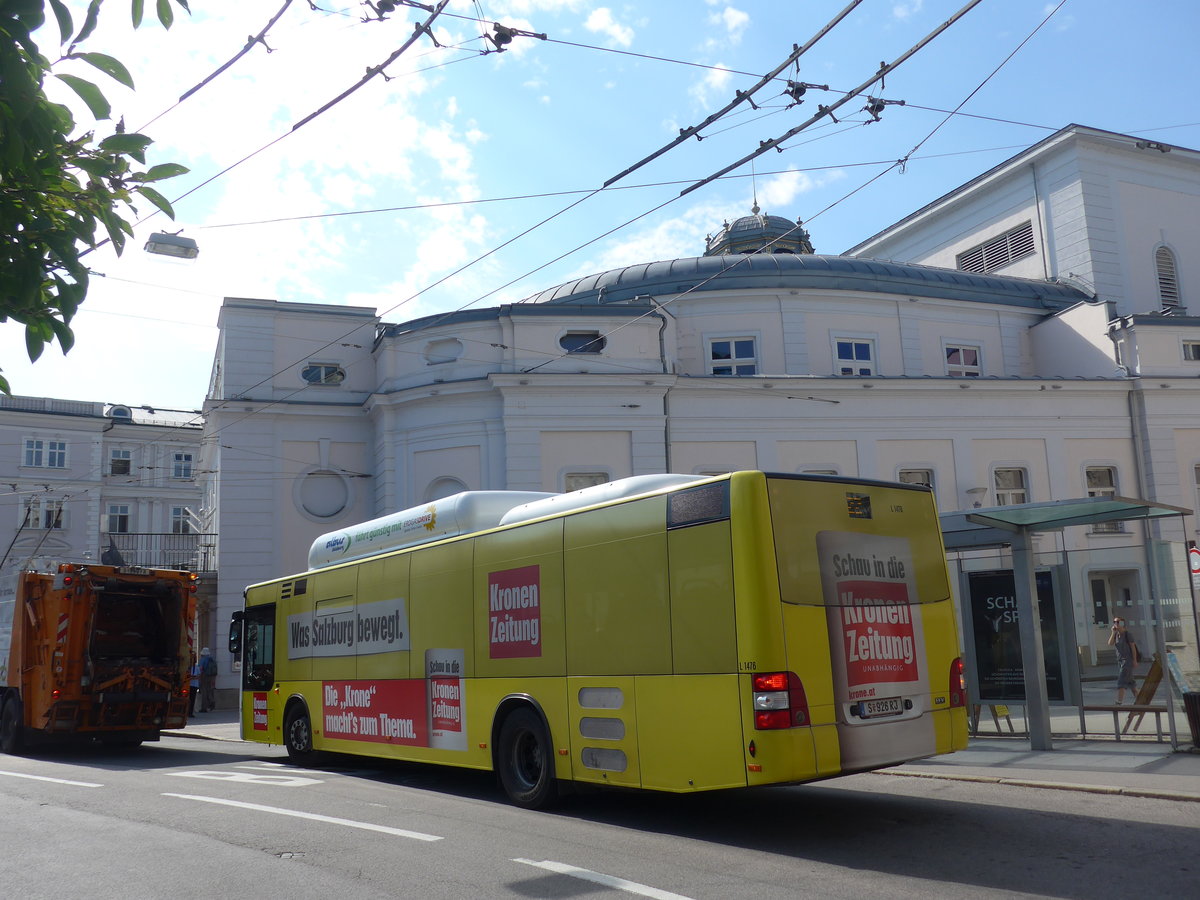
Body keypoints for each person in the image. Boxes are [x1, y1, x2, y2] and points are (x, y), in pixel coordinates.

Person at [1107, 616, 1140, 704]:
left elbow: (1133, 648)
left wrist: (1134, 660)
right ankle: (1141, 700)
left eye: (1118, 622)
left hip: (1127, 660)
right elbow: (1110, 643)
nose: (1116, 624)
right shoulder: (1116, 635)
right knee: (1131, 683)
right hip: (1120, 660)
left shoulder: (1127, 634)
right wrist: (1113, 633)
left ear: (1122, 624)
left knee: (1121, 681)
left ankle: (1119, 701)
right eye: (1114, 622)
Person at [199, 647, 218, 712]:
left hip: (204, 676)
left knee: (204, 691)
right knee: (210, 690)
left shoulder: (203, 659)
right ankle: (212, 703)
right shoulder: (212, 659)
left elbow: (201, 668)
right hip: (212, 677)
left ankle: (204, 707)